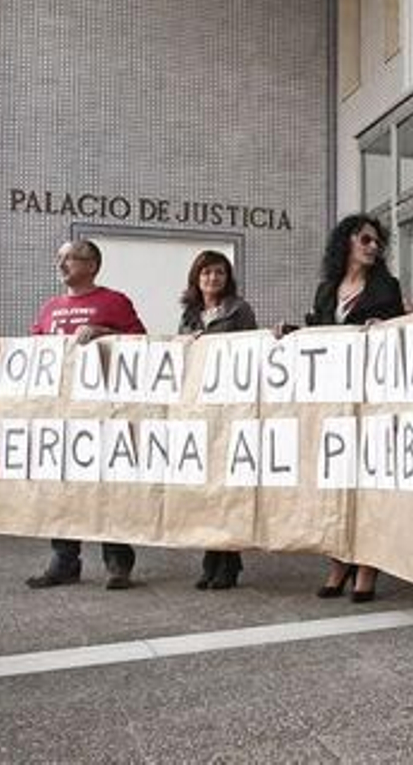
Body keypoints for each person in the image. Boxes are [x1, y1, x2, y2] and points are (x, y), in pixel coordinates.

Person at [25, 239, 147, 591]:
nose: (61, 264)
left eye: (70, 258)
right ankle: (64, 561)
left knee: (108, 487)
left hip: (104, 414)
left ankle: (117, 562)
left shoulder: (114, 301)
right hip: (61, 416)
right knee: (62, 489)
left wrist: (105, 334)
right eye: (59, 257)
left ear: (92, 265)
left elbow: (141, 342)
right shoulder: (49, 308)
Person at [309, 214, 409, 603]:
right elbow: (319, 333)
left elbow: (401, 335)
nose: (373, 247)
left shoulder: (387, 287)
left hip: (372, 400)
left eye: (377, 242)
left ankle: (366, 567)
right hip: (335, 401)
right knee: (337, 484)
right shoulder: (326, 290)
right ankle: (339, 562)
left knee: (368, 486)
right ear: (346, 243)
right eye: (365, 240)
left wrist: (381, 329)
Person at [179, 250, 259, 591]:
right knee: (207, 488)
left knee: (229, 486)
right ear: (197, 278)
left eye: (220, 273)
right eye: (207, 273)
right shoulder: (190, 314)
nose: (213, 279)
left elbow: (252, 350)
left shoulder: (239, 310)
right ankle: (211, 556)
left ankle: (229, 559)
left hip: (230, 406)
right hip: (201, 410)